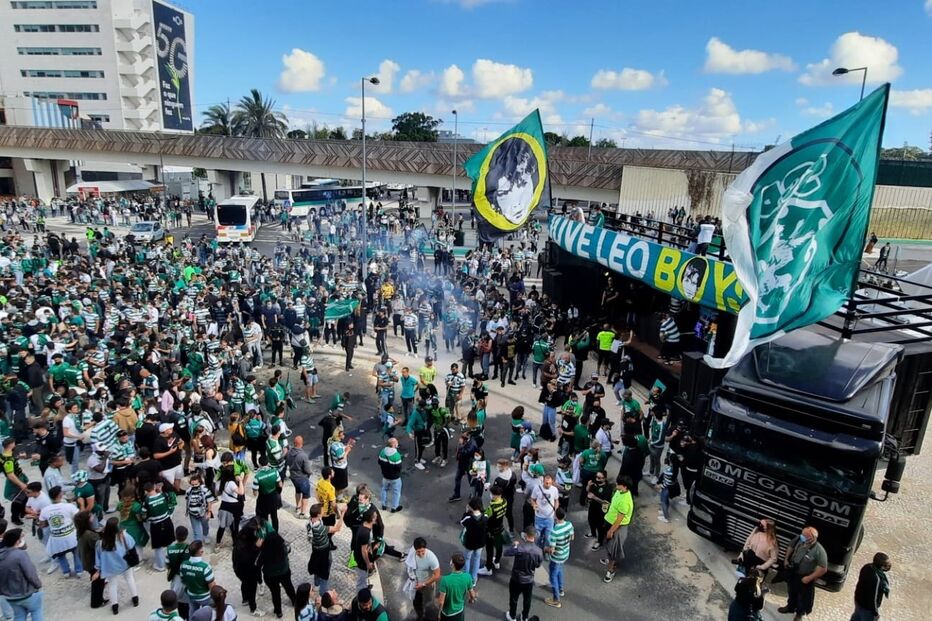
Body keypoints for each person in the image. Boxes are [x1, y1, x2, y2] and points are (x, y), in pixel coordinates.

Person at [779, 526, 828, 621]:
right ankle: (790, 607)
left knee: (802, 597)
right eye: (802, 534)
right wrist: (786, 559)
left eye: (805, 536)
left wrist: (809, 578)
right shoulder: (799, 539)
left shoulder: (819, 550)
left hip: (805, 577)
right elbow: (791, 546)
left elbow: (823, 568)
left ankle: (799, 614)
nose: (802, 537)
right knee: (791, 591)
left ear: (813, 537)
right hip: (793, 572)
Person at [93, 517, 140, 615]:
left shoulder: (101, 543)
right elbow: (132, 546)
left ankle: (115, 606)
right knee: (130, 579)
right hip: (125, 563)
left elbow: (98, 558)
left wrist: (98, 570)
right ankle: (135, 598)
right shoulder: (124, 536)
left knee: (112, 585)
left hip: (110, 567)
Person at [38, 485, 82, 577]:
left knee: (60, 554)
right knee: (76, 552)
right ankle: (79, 571)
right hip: (71, 536)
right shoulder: (69, 506)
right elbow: (80, 517)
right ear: (60, 495)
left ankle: (66, 571)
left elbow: (42, 524)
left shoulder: (45, 510)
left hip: (57, 538)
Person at [0, 528, 43, 620]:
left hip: (10, 596)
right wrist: (38, 585)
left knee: (19, 616)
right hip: (26, 593)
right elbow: (30, 574)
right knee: (36, 611)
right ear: (17, 541)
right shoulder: (20, 555)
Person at [503, 526, 543, 621]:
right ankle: (524, 616)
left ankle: (512, 616)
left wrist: (514, 545)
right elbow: (538, 565)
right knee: (527, 600)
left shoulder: (520, 548)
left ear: (525, 535)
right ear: (534, 536)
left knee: (513, 598)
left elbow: (506, 553)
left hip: (516, 578)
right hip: (529, 580)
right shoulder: (539, 551)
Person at [307, 502, 343, 596]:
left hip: (315, 549)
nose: (323, 512)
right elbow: (337, 528)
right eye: (322, 511)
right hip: (323, 551)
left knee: (316, 567)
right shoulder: (319, 528)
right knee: (324, 571)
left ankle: (316, 584)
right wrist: (342, 514)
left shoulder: (310, 522)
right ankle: (323, 594)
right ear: (318, 515)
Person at [601, 475, 633, 583]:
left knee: (613, 550)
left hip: (617, 527)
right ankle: (610, 561)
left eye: (618, 484)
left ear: (624, 486)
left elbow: (619, 520)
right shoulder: (620, 492)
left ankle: (610, 570)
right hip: (610, 521)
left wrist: (611, 531)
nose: (616, 484)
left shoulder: (625, 501)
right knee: (609, 545)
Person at [260, 529, 297, 619]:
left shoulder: (264, 552)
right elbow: (289, 548)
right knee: (289, 587)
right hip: (284, 572)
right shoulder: (283, 548)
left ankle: (278, 611)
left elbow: (257, 563)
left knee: (275, 593)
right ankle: (294, 601)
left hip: (270, 575)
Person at [544, 507, 574, 608]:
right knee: (560, 570)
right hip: (565, 553)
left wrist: (545, 549)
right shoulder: (569, 524)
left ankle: (556, 600)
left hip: (556, 557)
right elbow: (572, 537)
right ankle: (561, 589)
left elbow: (552, 550)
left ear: (555, 517)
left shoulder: (554, 531)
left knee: (553, 577)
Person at [405, 537, 441, 621]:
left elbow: (437, 575)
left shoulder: (431, 557)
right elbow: (409, 565)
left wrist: (424, 584)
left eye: (423, 551)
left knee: (428, 604)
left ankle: (427, 618)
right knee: (416, 602)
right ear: (414, 549)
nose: (421, 554)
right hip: (416, 584)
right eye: (418, 552)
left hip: (427, 585)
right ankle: (420, 616)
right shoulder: (412, 553)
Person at [851, 552, 891, 621]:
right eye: (887, 564)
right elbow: (873, 599)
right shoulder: (877, 579)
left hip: (858, 600)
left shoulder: (867, 566)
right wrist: (875, 613)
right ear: (882, 566)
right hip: (867, 609)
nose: (889, 565)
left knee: (856, 618)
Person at [436, 552, 476, 621]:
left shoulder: (445, 580)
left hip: (447, 613)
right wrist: (471, 599)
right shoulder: (467, 577)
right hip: (459, 611)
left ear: (452, 564)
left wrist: (439, 613)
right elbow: (472, 594)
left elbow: (441, 601)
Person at [180, 540, 216, 614]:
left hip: (191, 595)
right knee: (207, 616)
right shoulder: (205, 567)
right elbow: (212, 586)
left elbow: (183, 580)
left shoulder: (183, 565)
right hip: (205, 597)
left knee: (192, 613)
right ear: (200, 552)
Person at [252, 455, 283, 532]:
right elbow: (280, 484)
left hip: (263, 499)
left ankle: (265, 533)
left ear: (259, 464)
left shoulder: (257, 476)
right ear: (268, 462)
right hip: (273, 497)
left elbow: (255, 493)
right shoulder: (275, 471)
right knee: (274, 516)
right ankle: (275, 532)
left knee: (264, 518)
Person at [286, 435, 313, 518]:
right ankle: (303, 513)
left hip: (293, 477)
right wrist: (310, 473)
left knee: (297, 491)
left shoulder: (289, 452)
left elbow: (286, 461)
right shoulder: (303, 455)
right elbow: (308, 470)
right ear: (301, 444)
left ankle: (297, 507)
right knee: (306, 495)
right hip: (302, 478)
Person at [529, 474, 559, 549]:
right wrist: (534, 505)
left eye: (549, 483)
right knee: (538, 536)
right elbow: (532, 499)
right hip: (539, 517)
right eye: (546, 483)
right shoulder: (537, 488)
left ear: (552, 482)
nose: (548, 484)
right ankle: (537, 549)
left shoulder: (554, 489)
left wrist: (556, 509)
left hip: (550, 518)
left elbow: (556, 500)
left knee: (548, 537)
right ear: (543, 481)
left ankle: (546, 550)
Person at [378, 437, 403, 513]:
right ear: (393, 445)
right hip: (395, 477)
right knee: (396, 492)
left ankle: (384, 505)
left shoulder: (382, 452)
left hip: (385, 476)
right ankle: (394, 507)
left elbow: (379, 462)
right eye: (396, 442)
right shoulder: (396, 455)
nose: (397, 443)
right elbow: (399, 467)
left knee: (384, 489)